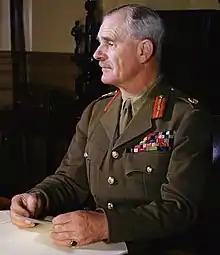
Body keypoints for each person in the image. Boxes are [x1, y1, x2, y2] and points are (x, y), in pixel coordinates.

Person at [10, 4, 212, 254]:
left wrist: (106, 226)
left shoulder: (186, 117)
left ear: (143, 51)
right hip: (99, 248)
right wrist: (37, 198)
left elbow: (179, 208)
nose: (97, 54)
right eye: (99, 43)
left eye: (110, 43)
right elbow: (70, 180)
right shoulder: (96, 111)